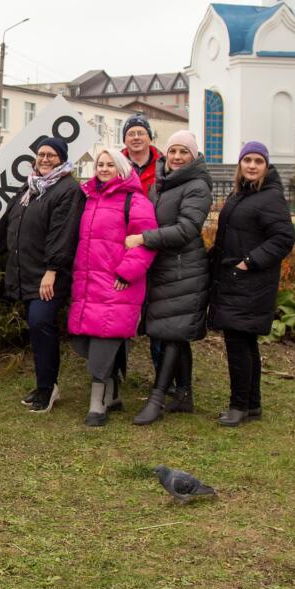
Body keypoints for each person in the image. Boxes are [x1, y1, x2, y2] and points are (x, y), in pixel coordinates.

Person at [0, 136, 83, 414]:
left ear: (62, 158)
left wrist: (52, 270)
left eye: (51, 155)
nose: (45, 159)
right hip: (26, 273)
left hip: (48, 276)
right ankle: (43, 384)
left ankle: (48, 388)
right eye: (41, 154)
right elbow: (10, 219)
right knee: (37, 328)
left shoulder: (68, 189)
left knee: (41, 322)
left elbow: (63, 234)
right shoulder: (31, 186)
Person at [124, 130, 213, 424]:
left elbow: (187, 229)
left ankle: (158, 397)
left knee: (173, 333)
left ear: (194, 156)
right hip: (165, 266)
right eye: (172, 151)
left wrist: (144, 238)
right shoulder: (163, 183)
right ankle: (184, 394)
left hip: (184, 267)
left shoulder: (197, 186)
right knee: (175, 332)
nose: (176, 157)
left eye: (183, 152)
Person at [66, 147, 158, 426]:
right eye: (100, 164)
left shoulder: (136, 202)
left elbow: (145, 242)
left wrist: (127, 272)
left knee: (105, 340)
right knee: (87, 340)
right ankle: (114, 391)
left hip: (118, 283)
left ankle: (97, 403)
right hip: (88, 282)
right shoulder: (88, 199)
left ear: (121, 168)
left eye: (109, 164)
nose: (103, 169)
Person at [209, 140, 295, 427]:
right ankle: (252, 404)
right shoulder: (241, 196)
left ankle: (239, 406)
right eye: (247, 161)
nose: (252, 166)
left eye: (258, 161)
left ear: (266, 166)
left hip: (249, 280)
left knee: (238, 344)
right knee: (245, 343)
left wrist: (249, 262)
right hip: (235, 279)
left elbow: (283, 239)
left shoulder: (270, 197)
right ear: (240, 165)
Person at [121, 112, 171, 394]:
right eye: (131, 133)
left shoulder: (165, 166)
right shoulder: (115, 164)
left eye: (141, 132)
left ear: (149, 137)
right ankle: (115, 377)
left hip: (156, 244)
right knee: (122, 312)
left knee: (158, 316)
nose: (136, 137)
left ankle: (162, 379)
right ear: (125, 139)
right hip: (125, 248)